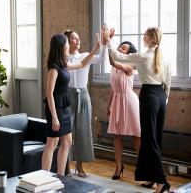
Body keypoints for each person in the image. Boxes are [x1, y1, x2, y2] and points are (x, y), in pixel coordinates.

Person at [107, 27, 172, 193]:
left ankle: (162, 182)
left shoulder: (142, 56)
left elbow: (116, 56)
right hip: (160, 97)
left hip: (149, 96)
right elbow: (168, 82)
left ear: (150, 39)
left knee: (149, 141)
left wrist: (108, 40)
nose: (143, 37)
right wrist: (163, 100)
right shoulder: (163, 56)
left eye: (145, 35)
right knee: (155, 139)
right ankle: (151, 178)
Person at [42, 33, 100, 176]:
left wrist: (95, 49)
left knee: (67, 142)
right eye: (67, 43)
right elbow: (49, 93)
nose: (69, 45)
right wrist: (54, 117)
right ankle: (43, 178)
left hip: (64, 107)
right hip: (56, 109)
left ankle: (61, 177)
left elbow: (81, 64)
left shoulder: (63, 64)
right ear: (61, 46)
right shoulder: (54, 68)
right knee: (52, 143)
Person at [63, 29, 108, 177]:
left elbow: (101, 58)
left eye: (78, 38)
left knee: (83, 131)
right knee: (67, 133)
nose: (78, 40)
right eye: (74, 39)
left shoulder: (84, 56)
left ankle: (80, 166)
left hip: (83, 95)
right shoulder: (64, 59)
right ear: (68, 41)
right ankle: (66, 167)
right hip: (68, 95)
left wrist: (104, 43)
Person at [106, 40, 141, 180]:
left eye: (124, 48)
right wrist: (108, 105)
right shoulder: (114, 68)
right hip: (117, 100)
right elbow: (112, 88)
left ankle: (142, 167)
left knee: (136, 135)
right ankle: (118, 167)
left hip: (130, 101)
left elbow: (113, 62)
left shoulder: (130, 66)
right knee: (117, 135)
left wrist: (107, 42)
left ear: (130, 53)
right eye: (120, 46)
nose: (120, 48)